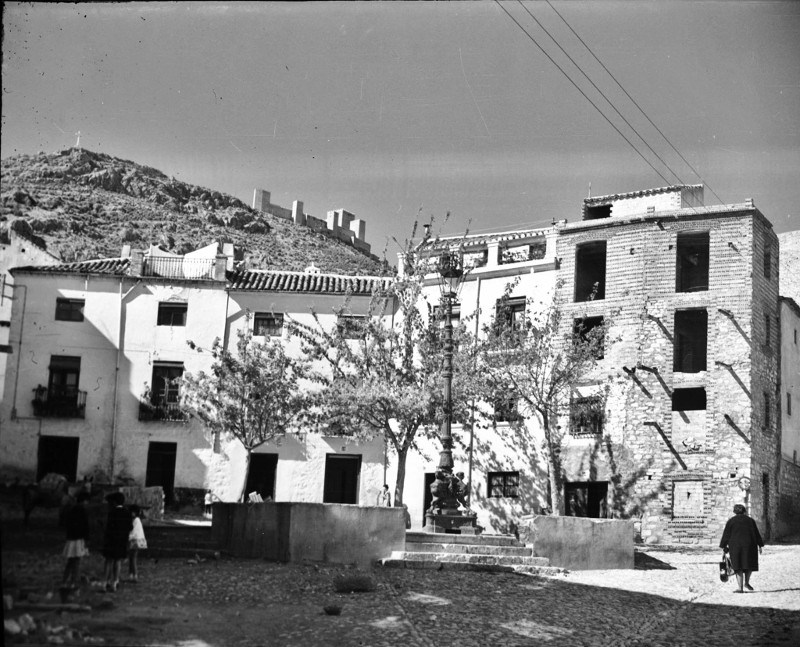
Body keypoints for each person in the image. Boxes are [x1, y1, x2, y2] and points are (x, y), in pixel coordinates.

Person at [719, 503, 764, 593]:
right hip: (750, 546)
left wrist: (723, 546)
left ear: (734, 511)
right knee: (749, 565)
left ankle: (740, 588)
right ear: (744, 511)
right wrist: (760, 545)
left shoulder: (731, 521)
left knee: (738, 566)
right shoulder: (751, 521)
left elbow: (726, 535)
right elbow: (756, 533)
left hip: (736, 547)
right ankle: (746, 582)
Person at [102, 492, 133, 592]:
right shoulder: (127, 512)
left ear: (114, 502)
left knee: (108, 561)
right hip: (122, 540)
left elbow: (108, 527)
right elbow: (130, 527)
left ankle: (104, 582)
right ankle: (115, 582)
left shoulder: (112, 512)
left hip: (111, 539)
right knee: (118, 561)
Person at [62, 492, 90, 588]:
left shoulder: (71, 510)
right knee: (77, 561)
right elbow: (85, 527)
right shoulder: (83, 511)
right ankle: (74, 582)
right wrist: (87, 540)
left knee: (70, 561)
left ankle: (65, 581)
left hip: (70, 538)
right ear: (84, 501)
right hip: (78, 539)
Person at [127, 504, 147, 582]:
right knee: (131, 558)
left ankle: (134, 575)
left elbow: (134, 532)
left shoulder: (136, 520)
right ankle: (131, 575)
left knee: (133, 558)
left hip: (135, 541)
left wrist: (128, 537)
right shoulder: (136, 520)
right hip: (136, 541)